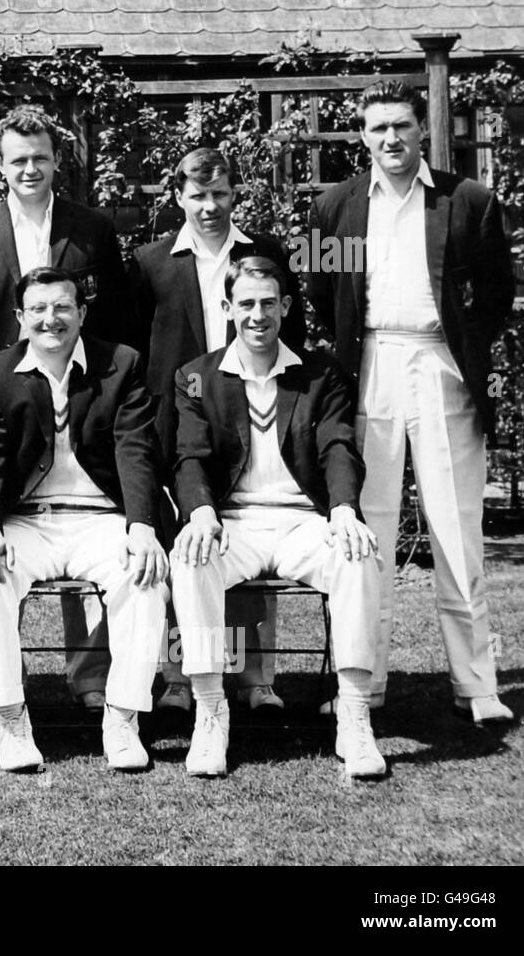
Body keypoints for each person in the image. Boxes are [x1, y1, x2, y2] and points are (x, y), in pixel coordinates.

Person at [307, 79, 516, 723]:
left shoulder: (468, 200)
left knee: (456, 530)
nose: (390, 139)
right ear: (362, 136)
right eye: (377, 128)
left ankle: (477, 687)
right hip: (367, 366)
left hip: (440, 366)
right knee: (365, 531)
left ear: (423, 129)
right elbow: (321, 291)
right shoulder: (333, 207)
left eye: (401, 125)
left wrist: (459, 350)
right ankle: (362, 686)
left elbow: (497, 292)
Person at [0, 104, 136, 709]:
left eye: (40, 158)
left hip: (75, 392)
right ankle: (0, 679)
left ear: (58, 162)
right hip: (2, 399)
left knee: (87, 516)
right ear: (0, 166)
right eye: (18, 160)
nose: (30, 169)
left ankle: (89, 677)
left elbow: (110, 318)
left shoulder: (93, 229)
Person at [171, 255, 385, 778]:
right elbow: (190, 455)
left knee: (356, 555)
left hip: (303, 522)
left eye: (269, 303)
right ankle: (210, 712)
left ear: (285, 306)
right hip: (233, 523)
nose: (258, 315)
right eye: (246, 303)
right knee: (191, 557)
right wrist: (199, 511)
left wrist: (343, 510)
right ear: (228, 308)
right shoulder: (196, 376)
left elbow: (338, 444)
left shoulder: (321, 372)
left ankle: (354, 717)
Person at [0, 267, 169, 772]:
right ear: (20, 317)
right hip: (27, 521)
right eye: (38, 309)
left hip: (101, 518)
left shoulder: (120, 364)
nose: (50, 319)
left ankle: (122, 718)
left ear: (81, 312)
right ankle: (10, 720)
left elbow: (135, 448)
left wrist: (141, 525)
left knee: (142, 575)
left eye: (61, 307)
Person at [128, 147, 307, 715]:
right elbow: (133, 347)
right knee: (187, 539)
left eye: (220, 194)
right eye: (197, 196)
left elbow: (286, 338)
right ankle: (180, 676)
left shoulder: (265, 255)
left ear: (236, 195)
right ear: (178, 197)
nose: (209, 206)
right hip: (174, 418)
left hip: (246, 411)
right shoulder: (149, 262)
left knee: (253, 527)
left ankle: (256, 677)